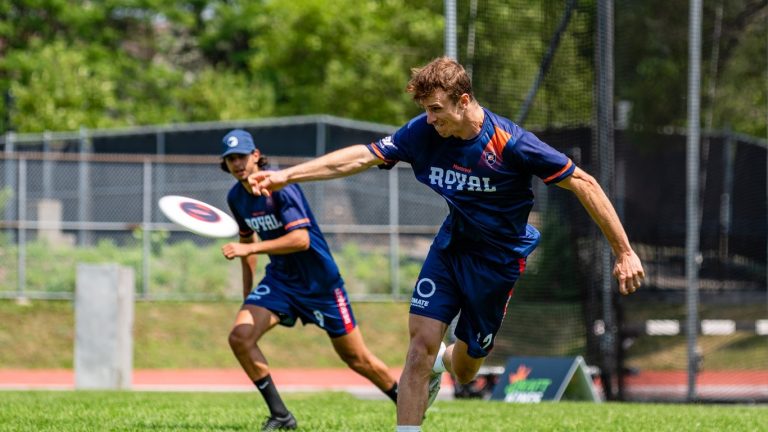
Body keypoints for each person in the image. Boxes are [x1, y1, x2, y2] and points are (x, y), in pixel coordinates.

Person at [248, 57, 645, 431]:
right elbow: (361, 157)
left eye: (436, 109)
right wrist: (287, 177)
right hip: (450, 250)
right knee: (418, 345)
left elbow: (583, 183)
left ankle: (443, 361)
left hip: (497, 264)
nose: (429, 118)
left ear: (464, 101)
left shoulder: (510, 143)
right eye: (425, 109)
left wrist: (624, 251)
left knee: (466, 369)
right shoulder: (423, 133)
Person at [217, 129, 399, 431]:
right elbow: (246, 243)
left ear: (256, 156)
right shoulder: (236, 198)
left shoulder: (281, 187)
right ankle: (281, 416)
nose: (236, 163)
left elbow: (300, 239)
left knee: (357, 358)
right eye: (230, 159)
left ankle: (405, 399)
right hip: (281, 282)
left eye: (241, 156)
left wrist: (250, 248)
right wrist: (247, 294)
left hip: (321, 285)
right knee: (240, 337)